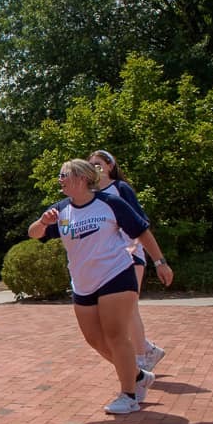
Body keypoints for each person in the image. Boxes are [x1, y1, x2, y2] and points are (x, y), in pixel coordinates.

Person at [28, 159, 174, 414]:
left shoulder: (110, 203)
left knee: (116, 335)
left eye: (64, 175)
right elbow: (33, 233)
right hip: (83, 283)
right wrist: (42, 223)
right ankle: (138, 376)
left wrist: (160, 262)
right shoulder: (60, 210)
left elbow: (142, 231)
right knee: (94, 339)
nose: (60, 179)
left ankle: (129, 395)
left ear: (82, 178)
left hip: (116, 274)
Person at [89, 149, 166, 371]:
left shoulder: (120, 188)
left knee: (129, 309)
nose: (95, 168)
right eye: (91, 164)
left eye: (99, 163)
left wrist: (136, 247)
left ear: (110, 166)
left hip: (130, 254)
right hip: (108, 259)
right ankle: (148, 349)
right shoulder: (91, 194)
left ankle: (142, 360)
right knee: (118, 312)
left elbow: (140, 221)